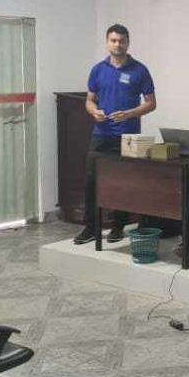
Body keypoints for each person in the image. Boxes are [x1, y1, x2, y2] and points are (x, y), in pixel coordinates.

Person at [74, 24, 156, 245]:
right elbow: (89, 101)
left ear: (128, 43)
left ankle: (118, 226)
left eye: (121, 41)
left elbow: (151, 103)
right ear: (107, 42)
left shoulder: (139, 70)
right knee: (91, 180)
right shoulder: (97, 70)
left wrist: (129, 113)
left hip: (128, 136)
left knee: (123, 181)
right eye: (113, 40)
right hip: (101, 134)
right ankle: (91, 227)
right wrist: (94, 111)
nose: (117, 44)